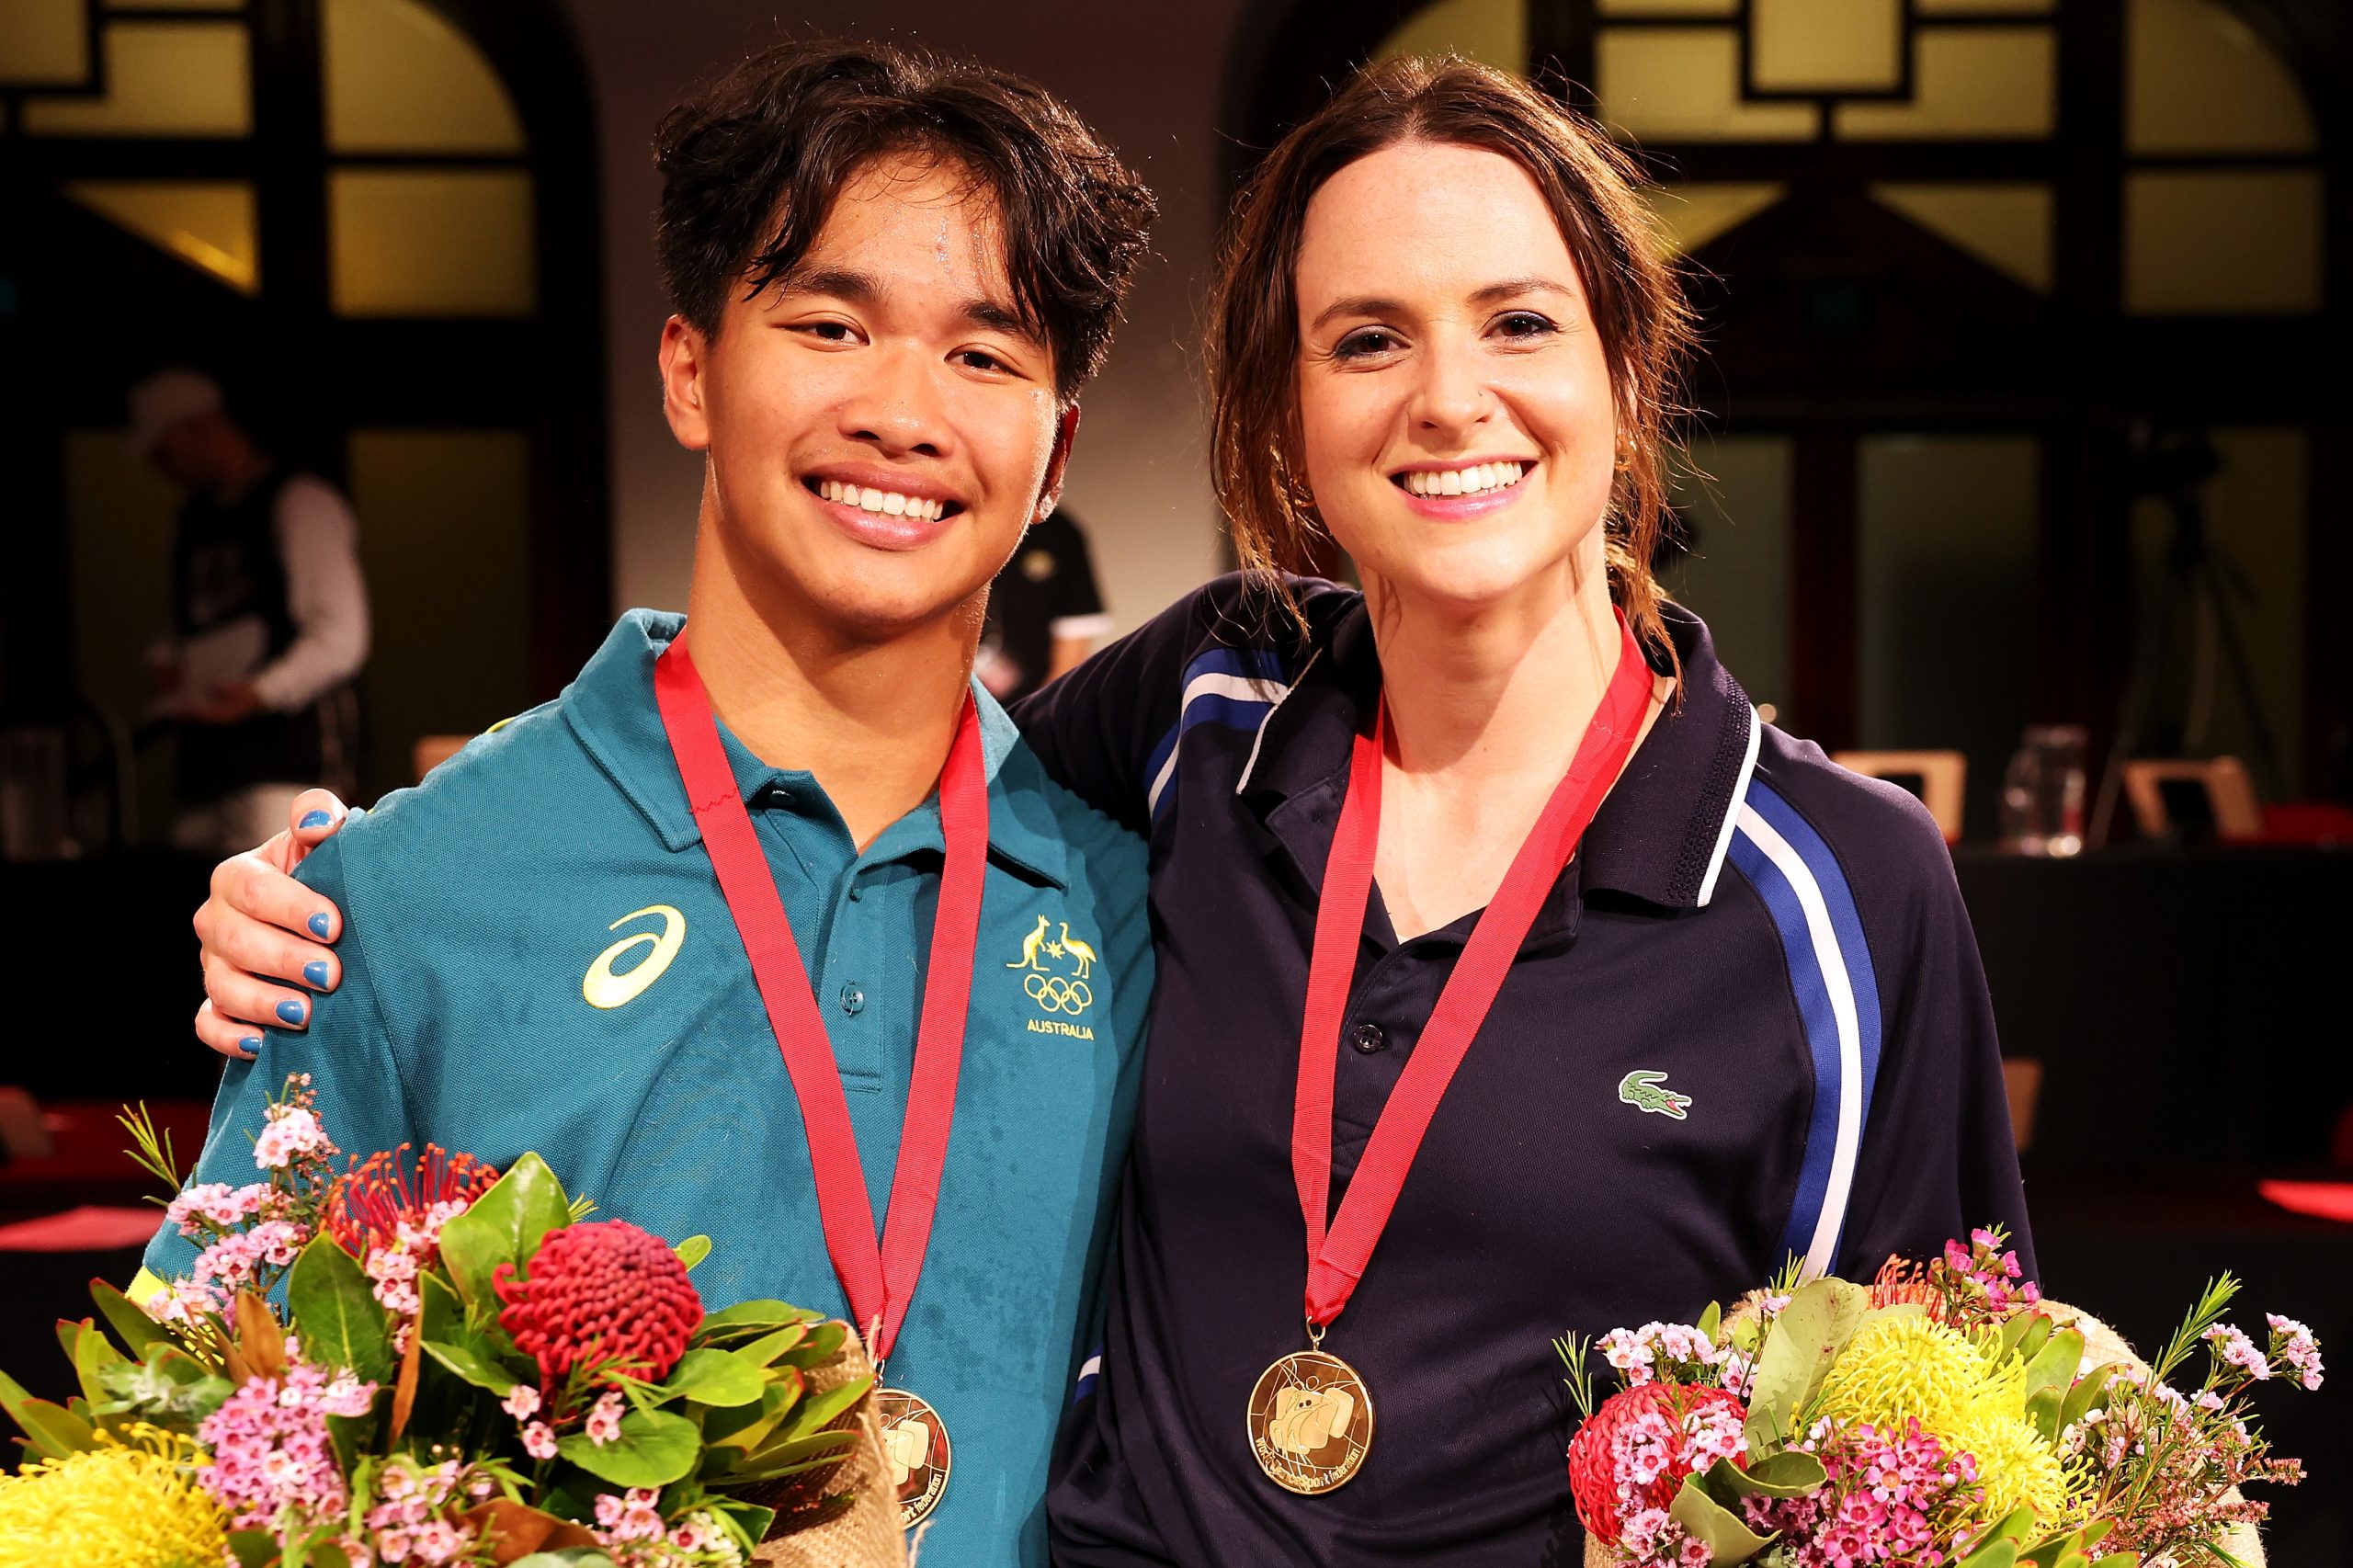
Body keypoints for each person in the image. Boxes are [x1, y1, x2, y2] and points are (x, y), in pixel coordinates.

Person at [184, 56, 2031, 1567]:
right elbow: (213, 1443)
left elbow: (1962, 1450)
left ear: (1625, 368)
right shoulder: (1195, 728)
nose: (1447, 397)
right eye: (1364, 339)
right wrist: (344, 895)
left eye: (1518, 322)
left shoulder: (1829, 889)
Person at [147, 40, 1158, 1565]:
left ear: (1056, 449)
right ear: (690, 370)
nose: (903, 411)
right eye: (830, 324)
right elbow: (201, 1444)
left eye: (985, 355)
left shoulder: (1136, 904)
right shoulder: (400, 896)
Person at [130, 369, 367, 851]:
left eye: (164, 452)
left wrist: (259, 692)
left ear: (199, 429)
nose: (161, 469)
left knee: (282, 884)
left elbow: (341, 637)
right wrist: (168, 662)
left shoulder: (299, 501)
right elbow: (186, 621)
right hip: (204, 770)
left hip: (288, 768)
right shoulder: (191, 519)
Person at [975, 505, 1113, 703]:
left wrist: (1038, 715)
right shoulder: (946, 526)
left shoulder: (1056, 531)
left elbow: (1072, 651)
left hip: (1028, 706)